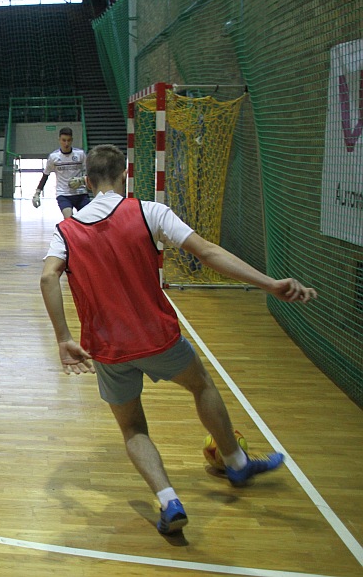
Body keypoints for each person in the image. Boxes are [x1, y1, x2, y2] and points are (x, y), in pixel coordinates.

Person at [39, 144, 317, 535]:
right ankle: (236, 463)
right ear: (124, 176)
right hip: (159, 339)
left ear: (86, 181)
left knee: (133, 428)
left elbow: (49, 277)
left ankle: (169, 501)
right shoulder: (149, 211)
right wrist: (270, 284)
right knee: (201, 385)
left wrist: (64, 337)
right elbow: (207, 253)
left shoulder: (66, 232)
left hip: (109, 350)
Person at [33, 127, 89, 219]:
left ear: (72, 140)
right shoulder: (53, 157)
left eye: (69, 140)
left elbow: (89, 172)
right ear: (59, 140)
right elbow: (45, 175)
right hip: (63, 194)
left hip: (81, 193)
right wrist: (37, 193)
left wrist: (82, 180)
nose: (66, 143)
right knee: (69, 219)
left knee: (87, 219)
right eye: (64, 140)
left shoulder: (80, 154)